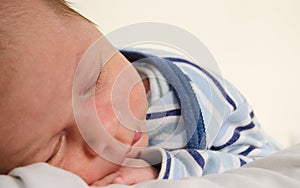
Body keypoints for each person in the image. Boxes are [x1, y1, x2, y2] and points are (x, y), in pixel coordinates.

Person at [0, 0, 280, 187]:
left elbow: (263, 165)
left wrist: (163, 170)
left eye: (94, 81)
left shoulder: (184, 102)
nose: (104, 129)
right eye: (55, 150)